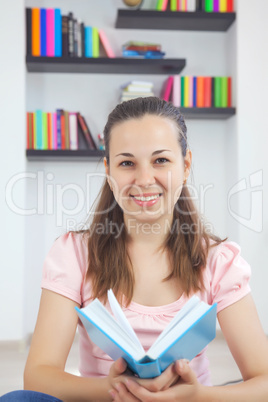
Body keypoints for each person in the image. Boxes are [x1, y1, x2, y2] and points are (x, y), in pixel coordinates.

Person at [4, 97, 268, 401]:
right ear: (108, 170)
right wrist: (113, 389)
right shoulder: (74, 254)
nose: (144, 180)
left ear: (185, 165)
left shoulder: (219, 261)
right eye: (127, 163)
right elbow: (38, 376)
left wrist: (195, 396)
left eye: (161, 161)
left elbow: (263, 382)